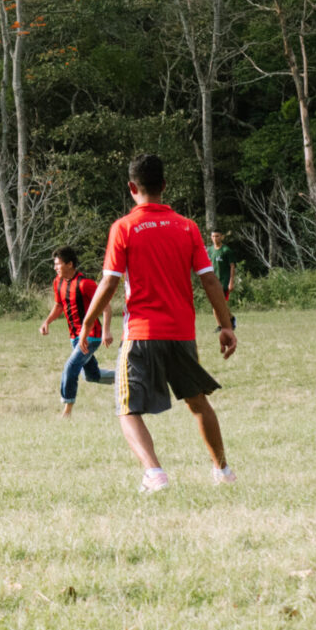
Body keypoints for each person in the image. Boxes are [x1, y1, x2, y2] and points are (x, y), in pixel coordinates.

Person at [80, 153, 237, 493]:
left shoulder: (123, 228)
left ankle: (154, 473)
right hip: (182, 334)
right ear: (164, 186)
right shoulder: (187, 227)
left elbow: (108, 283)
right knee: (198, 402)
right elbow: (210, 281)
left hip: (141, 334)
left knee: (126, 408)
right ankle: (223, 471)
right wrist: (226, 326)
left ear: (131, 187)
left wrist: (86, 325)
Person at [37, 247, 114, 416]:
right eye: (54, 265)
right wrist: (47, 322)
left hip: (91, 336)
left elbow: (106, 307)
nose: (55, 267)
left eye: (58, 264)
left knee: (70, 368)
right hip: (74, 337)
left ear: (70, 264)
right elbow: (59, 305)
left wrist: (106, 332)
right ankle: (128, 378)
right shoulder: (58, 282)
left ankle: (67, 411)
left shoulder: (86, 284)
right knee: (91, 376)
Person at [207, 231, 237, 329]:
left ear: (222, 237)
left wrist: (231, 282)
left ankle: (224, 324)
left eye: (217, 236)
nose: (215, 238)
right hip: (213, 282)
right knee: (218, 305)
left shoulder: (226, 250)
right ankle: (228, 321)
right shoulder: (209, 250)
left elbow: (232, 266)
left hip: (224, 282)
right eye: (213, 236)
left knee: (219, 306)